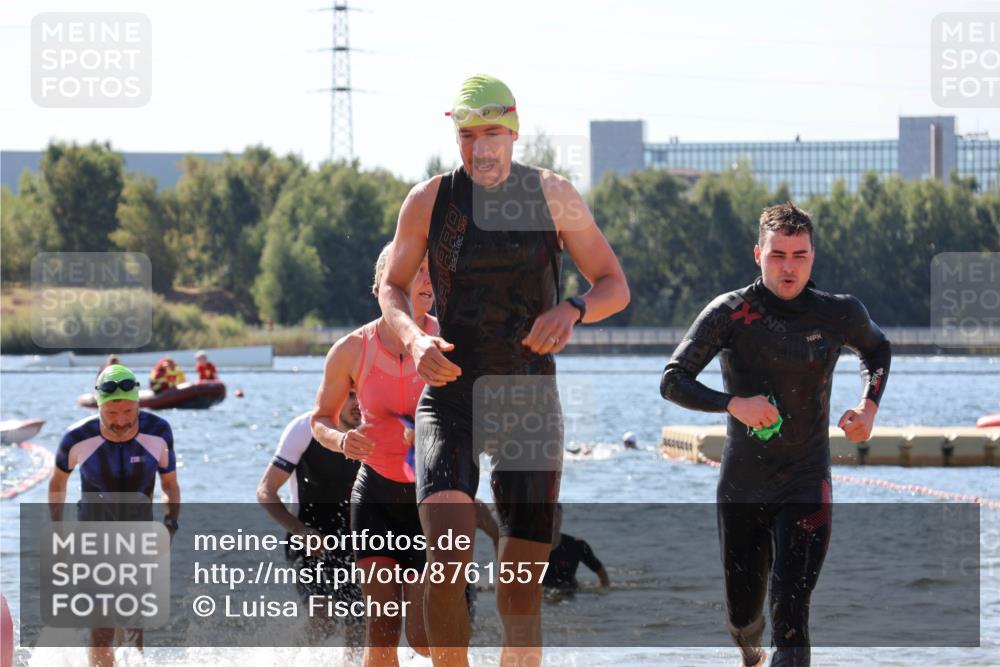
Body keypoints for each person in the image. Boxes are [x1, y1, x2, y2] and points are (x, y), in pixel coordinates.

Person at [378, 74, 630, 667]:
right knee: (447, 554)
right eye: (468, 135)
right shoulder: (428, 200)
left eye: (492, 133)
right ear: (456, 137)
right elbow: (392, 286)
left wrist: (573, 309)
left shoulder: (553, 194)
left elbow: (614, 285)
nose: (480, 148)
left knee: (519, 589)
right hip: (451, 394)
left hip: (528, 401)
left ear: (514, 133)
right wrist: (414, 337)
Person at [660, 202, 891, 667]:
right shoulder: (731, 312)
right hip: (744, 484)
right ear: (758, 255)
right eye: (777, 255)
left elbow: (877, 348)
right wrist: (734, 404)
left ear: (813, 256)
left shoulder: (838, 313)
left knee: (791, 609)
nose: (789, 267)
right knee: (744, 618)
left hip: (806, 480)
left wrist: (869, 405)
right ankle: (750, 654)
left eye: (799, 256)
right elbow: (673, 380)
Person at [312, 244, 436, 666]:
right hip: (375, 497)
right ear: (386, 286)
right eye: (418, 270)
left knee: (423, 637)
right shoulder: (351, 349)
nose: (429, 280)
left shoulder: (448, 340)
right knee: (381, 633)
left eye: (432, 271)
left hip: (430, 499)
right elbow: (320, 419)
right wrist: (341, 441)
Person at [48, 364, 181, 667]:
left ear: (138, 404)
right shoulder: (76, 438)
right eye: (111, 413)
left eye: (128, 412)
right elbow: (57, 484)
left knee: (133, 625)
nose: (121, 421)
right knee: (102, 627)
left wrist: (170, 524)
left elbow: (170, 485)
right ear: (98, 406)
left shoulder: (159, 432)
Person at [256, 392, 364, 645]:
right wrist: (301, 531)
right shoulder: (305, 429)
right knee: (323, 621)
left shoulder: (373, 431)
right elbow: (266, 491)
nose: (358, 402)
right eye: (349, 395)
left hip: (354, 542)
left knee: (358, 627)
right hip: (307, 539)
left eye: (362, 394)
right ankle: (288, 658)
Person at [544, 503, 610, 594]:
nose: (553, 520)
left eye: (557, 516)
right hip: (542, 598)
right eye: (550, 515)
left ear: (561, 517)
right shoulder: (531, 546)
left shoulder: (577, 545)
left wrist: (604, 595)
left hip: (569, 597)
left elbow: (602, 573)